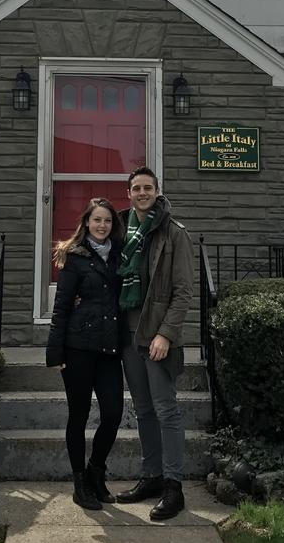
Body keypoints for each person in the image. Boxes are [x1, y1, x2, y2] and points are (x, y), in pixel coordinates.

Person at [114, 166, 193, 521]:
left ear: (157, 192)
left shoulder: (173, 234)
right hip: (127, 335)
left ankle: (174, 487)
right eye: (136, 188)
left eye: (148, 188)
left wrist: (165, 334)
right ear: (129, 193)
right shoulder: (121, 230)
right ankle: (151, 476)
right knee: (143, 409)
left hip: (157, 336)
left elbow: (183, 292)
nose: (142, 193)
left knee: (166, 410)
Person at [45, 197, 127, 510]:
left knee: (113, 415)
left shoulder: (120, 256)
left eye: (107, 220)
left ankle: (96, 471)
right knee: (78, 416)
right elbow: (62, 305)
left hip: (109, 349)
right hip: (77, 348)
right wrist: (55, 351)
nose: (102, 225)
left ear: (112, 224)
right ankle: (79, 483)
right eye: (97, 220)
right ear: (86, 223)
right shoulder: (75, 257)